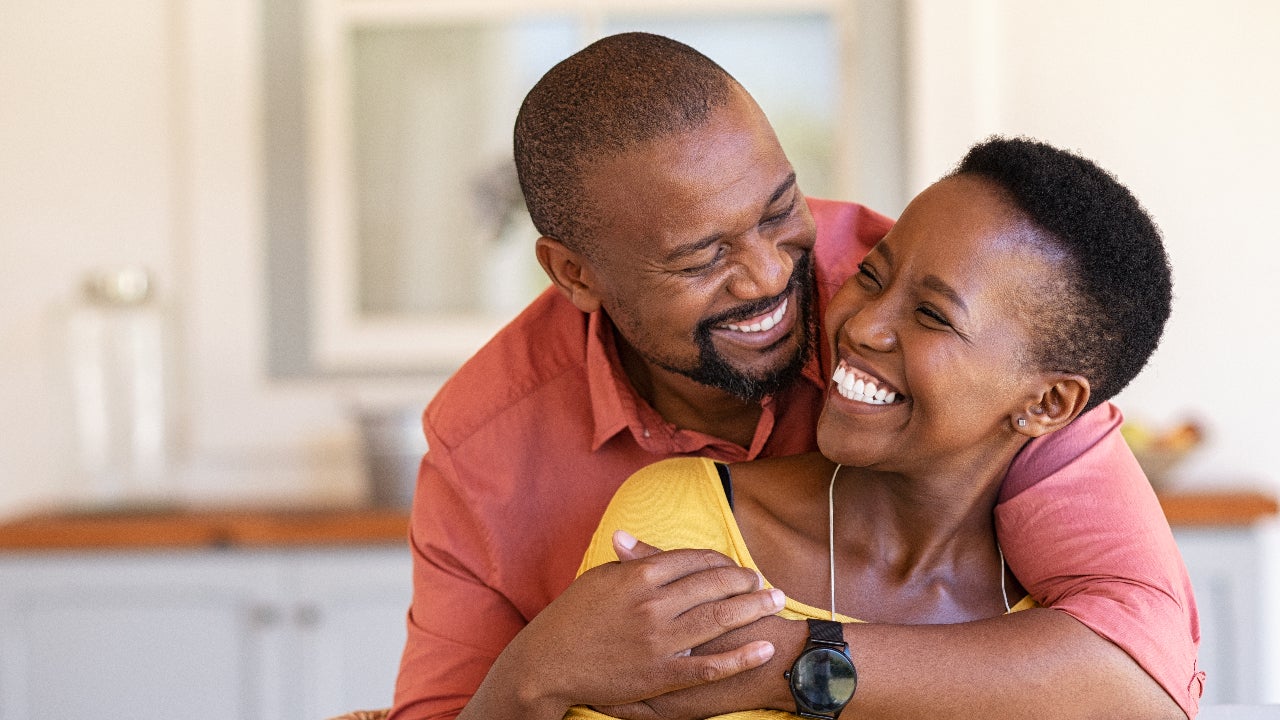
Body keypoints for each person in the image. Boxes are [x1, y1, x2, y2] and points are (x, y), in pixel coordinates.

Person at [390, 32, 1201, 720]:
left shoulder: (942, 307)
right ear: (574, 276)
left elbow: (1144, 666)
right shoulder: (483, 451)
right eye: (703, 256)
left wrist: (781, 662)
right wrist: (537, 672)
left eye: (779, 209)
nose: (768, 277)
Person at [566, 135, 1180, 720]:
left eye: (932, 315)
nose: (862, 328)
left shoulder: (1071, 637)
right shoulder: (685, 526)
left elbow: (1156, 685)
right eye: (871, 275)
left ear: (1048, 404)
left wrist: (778, 663)